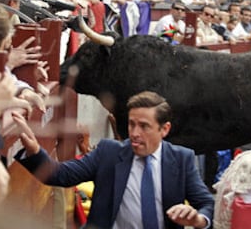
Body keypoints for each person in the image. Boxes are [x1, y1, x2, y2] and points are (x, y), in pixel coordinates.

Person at [12, 91, 214, 228]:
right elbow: (59, 175)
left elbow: (206, 203)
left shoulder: (181, 158)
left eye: (144, 126)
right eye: (131, 124)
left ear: (165, 129)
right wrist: (34, 151)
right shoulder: (108, 153)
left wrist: (198, 219)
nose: (134, 133)